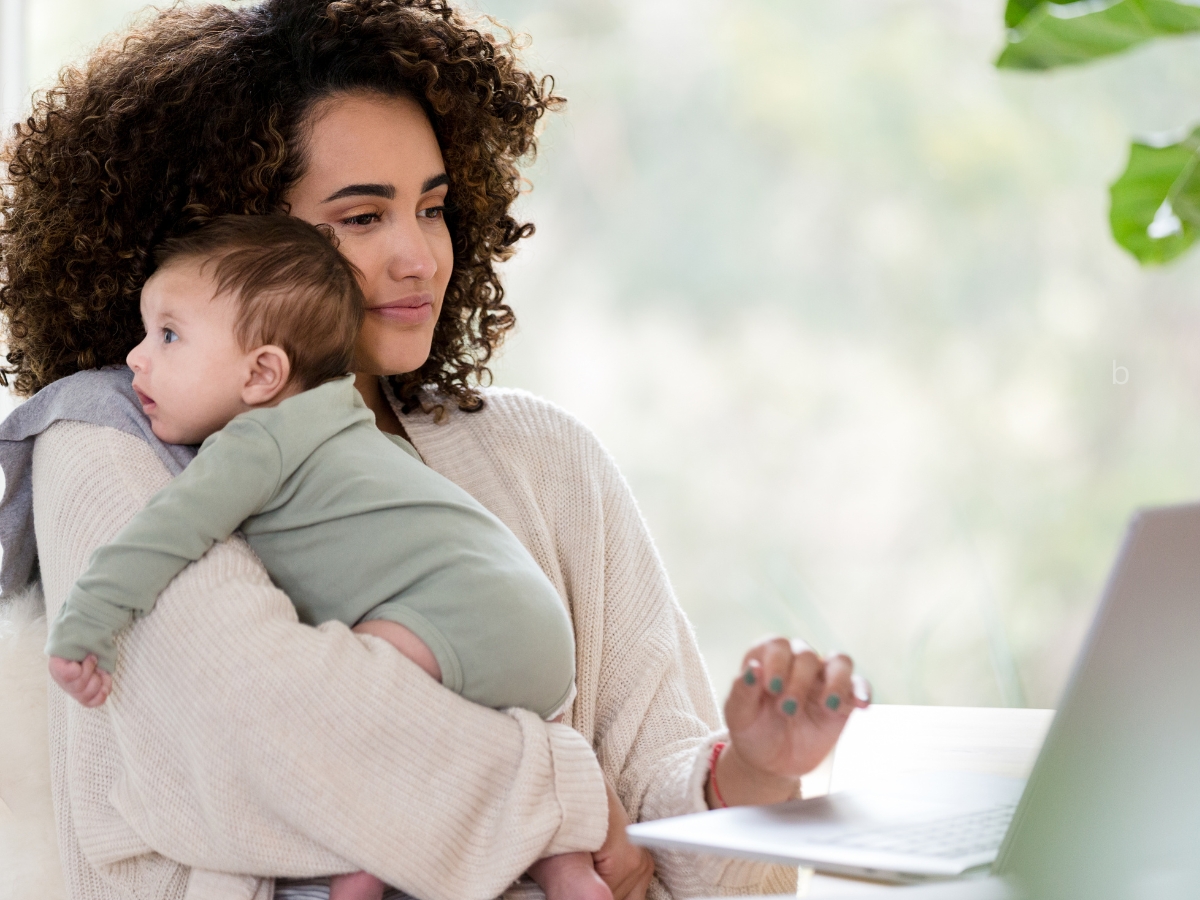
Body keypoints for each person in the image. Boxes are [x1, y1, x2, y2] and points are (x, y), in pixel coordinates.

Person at [0, 2, 870, 898]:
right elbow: (281, 737)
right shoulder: (106, 435)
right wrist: (574, 792)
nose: (419, 256)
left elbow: (666, 860)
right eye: (362, 218)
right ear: (239, 251)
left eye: (433, 206)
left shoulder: (545, 454)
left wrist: (754, 779)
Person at [44, 213, 606, 900]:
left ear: (262, 374)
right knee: (418, 734)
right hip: (536, 632)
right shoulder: (352, 425)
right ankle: (571, 872)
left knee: (355, 728)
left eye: (167, 335)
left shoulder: (257, 443)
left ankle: (359, 868)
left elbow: (162, 534)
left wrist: (85, 627)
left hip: (454, 617)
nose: (136, 357)